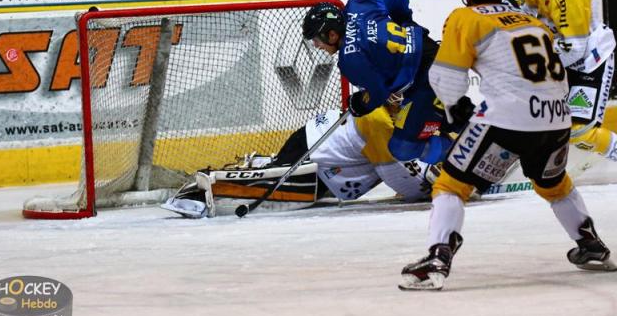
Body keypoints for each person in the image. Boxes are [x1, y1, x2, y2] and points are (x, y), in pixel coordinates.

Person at [399, 0, 615, 291]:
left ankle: (438, 258)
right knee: (553, 184)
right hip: (558, 117)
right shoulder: (533, 20)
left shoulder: (466, 17)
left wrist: (455, 108)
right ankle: (592, 246)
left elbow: (447, 77)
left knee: (450, 184)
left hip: (508, 118)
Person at [161, 108, 440, 219]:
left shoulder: (390, 105)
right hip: (319, 158)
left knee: (275, 168)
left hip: (316, 138)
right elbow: (401, 179)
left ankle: (263, 164)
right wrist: (436, 185)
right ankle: (198, 194)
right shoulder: (382, 123)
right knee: (269, 181)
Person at [302, 0, 464, 169]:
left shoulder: (350, 60)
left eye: (316, 38)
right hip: (435, 53)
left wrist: (360, 103)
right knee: (438, 117)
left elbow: (378, 94)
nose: (316, 45)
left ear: (331, 35)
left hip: (426, 81)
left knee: (403, 147)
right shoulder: (359, 3)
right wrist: (405, 22)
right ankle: (479, 137)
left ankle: (461, 162)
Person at [521, 0, 617, 162]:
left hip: (590, 62)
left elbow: (575, 48)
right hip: (565, 58)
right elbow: (526, 19)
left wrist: (539, 69)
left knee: (580, 130)